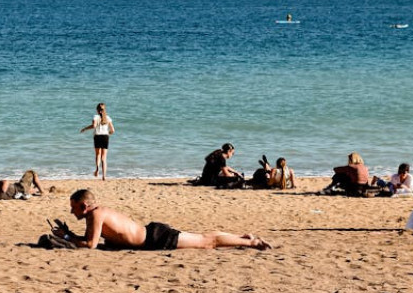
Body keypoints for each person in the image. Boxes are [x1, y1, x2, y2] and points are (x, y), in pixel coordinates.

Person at [53, 189, 272, 250]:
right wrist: (68, 234)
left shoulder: (95, 215)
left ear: (84, 206)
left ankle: (251, 242)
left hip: (156, 238)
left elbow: (91, 245)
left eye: (73, 208)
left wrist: (66, 237)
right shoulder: (97, 213)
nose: (72, 212)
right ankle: (242, 237)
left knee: (207, 242)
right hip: (152, 235)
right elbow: (91, 239)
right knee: (204, 238)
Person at [80, 103, 115, 180]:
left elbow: (94, 126)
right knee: (104, 157)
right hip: (105, 137)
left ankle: (97, 169)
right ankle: (104, 175)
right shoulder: (108, 118)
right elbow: (113, 130)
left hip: (97, 136)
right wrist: (107, 133)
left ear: (97, 110)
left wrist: (85, 128)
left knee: (98, 155)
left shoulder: (96, 117)